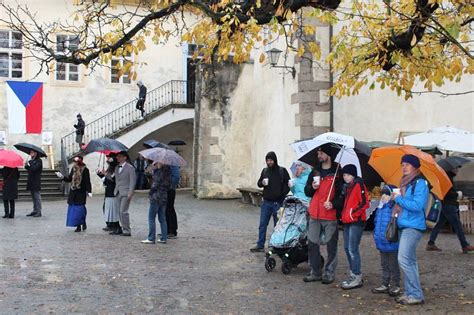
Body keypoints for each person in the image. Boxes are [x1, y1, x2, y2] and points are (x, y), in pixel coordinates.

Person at [391, 154, 428, 305]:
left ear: (415, 167)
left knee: (404, 259)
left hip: (413, 226)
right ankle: (410, 292)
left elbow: (417, 206)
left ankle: (415, 294)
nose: (404, 167)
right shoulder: (405, 183)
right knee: (410, 261)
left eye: (407, 164)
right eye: (403, 164)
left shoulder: (420, 183)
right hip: (404, 225)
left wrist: (398, 199)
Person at [303, 144, 342, 284]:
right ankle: (316, 271)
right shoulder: (315, 171)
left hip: (330, 215)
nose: (319, 156)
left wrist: (334, 204)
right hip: (314, 213)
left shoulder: (338, 171)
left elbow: (342, 194)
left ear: (328, 155)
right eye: (318, 153)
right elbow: (307, 191)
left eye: (321, 153)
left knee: (331, 246)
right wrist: (312, 188)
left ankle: (329, 272)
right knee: (312, 244)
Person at [335, 164, 369, 290]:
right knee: (347, 247)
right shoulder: (348, 187)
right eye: (344, 175)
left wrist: (352, 214)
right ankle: (353, 273)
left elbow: (365, 202)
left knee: (352, 248)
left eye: (348, 175)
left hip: (356, 221)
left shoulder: (358, 185)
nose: (345, 177)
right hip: (347, 221)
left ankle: (356, 275)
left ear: (353, 175)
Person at [426, 166, 474, 253]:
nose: (457, 170)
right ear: (451, 169)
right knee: (458, 225)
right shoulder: (447, 178)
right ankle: (464, 245)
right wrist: (457, 194)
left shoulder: (448, 178)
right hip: (448, 204)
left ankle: (430, 243)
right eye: (456, 168)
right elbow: (447, 193)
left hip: (446, 204)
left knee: (439, 224)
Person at [250, 151, 290, 252]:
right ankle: (260, 244)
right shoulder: (265, 171)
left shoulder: (282, 171)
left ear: (275, 160)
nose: (269, 162)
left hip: (278, 203)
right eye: (267, 160)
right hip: (266, 202)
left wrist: (282, 194)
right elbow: (259, 183)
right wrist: (262, 182)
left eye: (271, 160)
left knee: (278, 225)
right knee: (263, 224)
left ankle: (275, 245)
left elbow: (288, 184)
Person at [372, 184, 401, 297]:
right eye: (382, 194)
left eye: (386, 194)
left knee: (393, 264)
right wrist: (376, 235)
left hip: (391, 241)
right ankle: (385, 283)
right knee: (384, 264)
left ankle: (395, 285)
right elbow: (376, 222)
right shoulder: (380, 208)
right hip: (381, 241)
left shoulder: (395, 208)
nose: (383, 196)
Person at [56, 156, 92, 232]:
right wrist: (62, 177)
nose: (75, 163)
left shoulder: (85, 170)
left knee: (80, 209)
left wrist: (89, 191)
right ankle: (78, 225)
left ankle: (83, 221)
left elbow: (87, 181)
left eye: (76, 162)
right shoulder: (73, 169)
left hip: (81, 191)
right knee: (74, 210)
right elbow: (69, 179)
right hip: (73, 191)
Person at [142, 162, 172, 244]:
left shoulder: (159, 172)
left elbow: (155, 185)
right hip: (164, 196)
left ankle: (151, 238)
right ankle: (164, 238)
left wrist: (150, 193)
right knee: (162, 218)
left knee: (151, 218)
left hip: (156, 196)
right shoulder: (168, 172)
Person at [112, 151, 136, 236]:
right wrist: (104, 174)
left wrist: (130, 192)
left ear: (124, 157)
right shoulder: (116, 167)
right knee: (119, 211)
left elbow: (133, 181)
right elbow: (115, 180)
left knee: (123, 211)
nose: (117, 158)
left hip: (126, 192)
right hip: (118, 192)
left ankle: (127, 230)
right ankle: (124, 228)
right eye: (117, 157)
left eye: (119, 156)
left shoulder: (130, 168)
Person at [97, 155, 120, 232]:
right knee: (108, 209)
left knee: (113, 210)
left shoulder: (116, 171)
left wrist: (105, 175)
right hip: (108, 192)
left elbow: (112, 181)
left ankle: (115, 225)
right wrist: (101, 175)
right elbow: (106, 181)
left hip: (113, 192)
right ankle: (110, 224)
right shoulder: (110, 171)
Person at [25, 150, 43, 217]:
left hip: (36, 181)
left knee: (37, 196)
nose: (30, 153)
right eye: (30, 152)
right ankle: (35, 210)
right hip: (31, 180)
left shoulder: (39, 161)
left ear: (35, 153)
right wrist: (26, 166)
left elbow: (34, 169)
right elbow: (30, 169)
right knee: (33, 196)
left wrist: (31, 162)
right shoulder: (32, 161)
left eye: (32, 152)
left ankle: (39, 211)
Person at [166, 165, 180, 238]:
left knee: (169, 209)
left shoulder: (173, 165)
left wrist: (170, 186)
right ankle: (167, 229)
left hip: (169, 189)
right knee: (165, 209)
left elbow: (176, 177)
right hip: (164, 189)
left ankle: (172, 230)